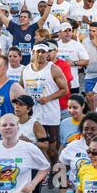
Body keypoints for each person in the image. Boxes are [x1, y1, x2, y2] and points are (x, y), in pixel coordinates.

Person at [21, 42, 68, 172]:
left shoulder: (53, 69)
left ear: (48, 53)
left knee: (52, 149)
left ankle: (54, 169)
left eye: (43, 52)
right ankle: (38, 171)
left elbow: (65, 90)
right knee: (33, 145)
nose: (40, 54)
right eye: (38, 51)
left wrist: (48, 98)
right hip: (33, 115)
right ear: (32, 52)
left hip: (50, 114)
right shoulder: (25, 70)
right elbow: (20, 91)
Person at [0, 114, 50, 193]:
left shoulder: (29, 148)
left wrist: (33, 184)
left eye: (12, 125)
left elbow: (45, 167)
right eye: (4, 125)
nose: (8, 127)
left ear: (18, 128)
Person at [0, 0, 51, 65]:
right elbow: (1, 15)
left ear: (29, 19)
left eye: (24, 17)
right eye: (21, 17)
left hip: (30, 62)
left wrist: (49, 4)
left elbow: (44, 18)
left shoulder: (33, 28)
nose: (22, 18)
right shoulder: (14, 27)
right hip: (16, 62)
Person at [0, 55, 26, 138]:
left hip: (7, 139)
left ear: (6, 68)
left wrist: (4, 120)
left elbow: (27, 112)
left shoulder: (14, 87)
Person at [57, 22, 90, 94]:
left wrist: (74, 63)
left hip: (73, 83)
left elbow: (86, 61)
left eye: (69, 30)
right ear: (60, 32)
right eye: (65, 31)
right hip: (57, 84)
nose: (68, 33)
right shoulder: (56, 45)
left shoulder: (77, 45)